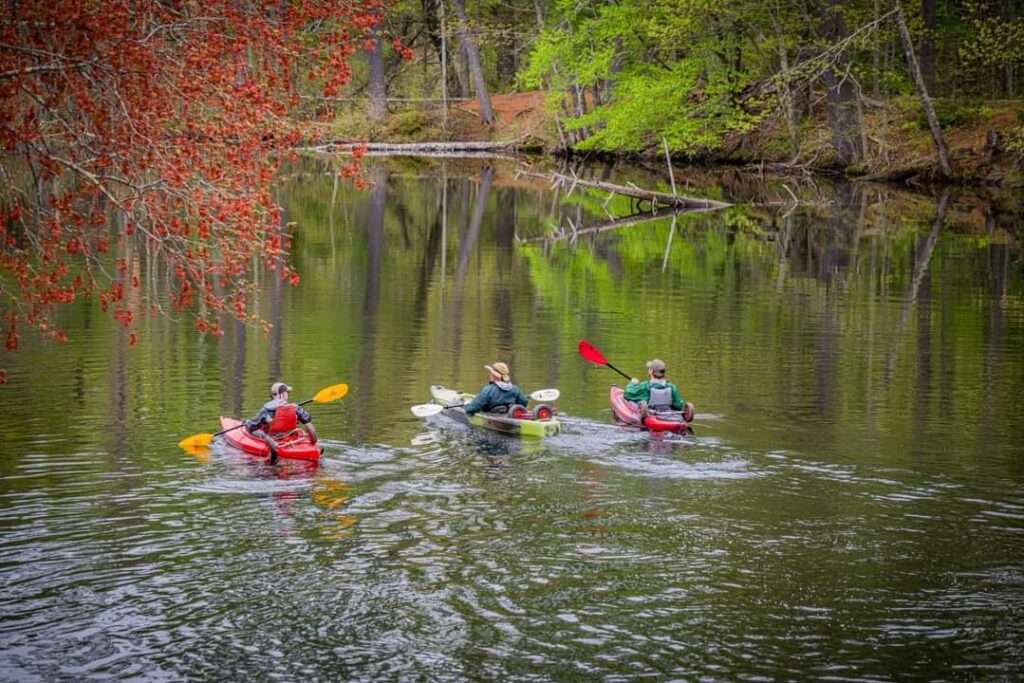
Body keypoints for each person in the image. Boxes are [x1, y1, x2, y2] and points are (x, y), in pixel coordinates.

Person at [245, 382, 318, 463]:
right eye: (287, 392)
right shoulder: (294, 407)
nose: (288, 395)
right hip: (292, 438)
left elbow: (252, 426)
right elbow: (307, 419)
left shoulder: (266, 409)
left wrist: (247, 423)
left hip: (274, 440)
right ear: (282, 394)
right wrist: (296, 408)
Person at [624, 359, 692, 421]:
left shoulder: (645, 386)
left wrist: (632, 383)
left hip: (652, 416)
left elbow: (627, 395)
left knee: (631, 402)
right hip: (668, 415)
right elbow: (679, 406)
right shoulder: (672, 387)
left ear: (651, 371)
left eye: (649, 369)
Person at [464, 362, 529, 416]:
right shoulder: (515, 389)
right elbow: (524, 403)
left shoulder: (488, 390)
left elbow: (471, 410)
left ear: (494, 375)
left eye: (491, 373)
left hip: (494, 416)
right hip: (509, 415)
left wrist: (467, 405)